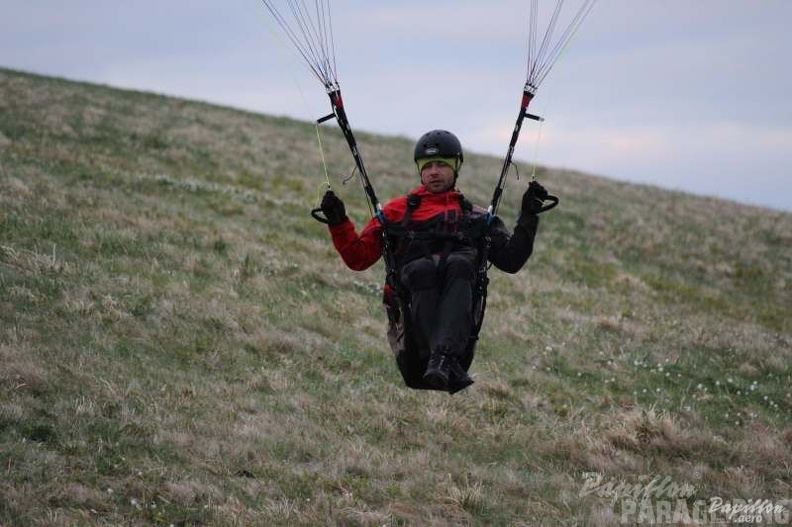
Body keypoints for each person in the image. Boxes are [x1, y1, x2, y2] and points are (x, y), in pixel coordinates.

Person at [319, 129, 548, 392]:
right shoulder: (396, 212)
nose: (434, 172)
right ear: (420, 170)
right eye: (428, 166)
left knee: (459, 263)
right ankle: (436, 358)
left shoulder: (476, 217)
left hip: (457, 315)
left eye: (442, 164)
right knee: (423, 268)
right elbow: (358, 258)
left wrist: (529, 215)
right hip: (413, 333)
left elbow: (511, 260)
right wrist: (338, 222)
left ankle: (442, 358)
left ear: (456, 167)